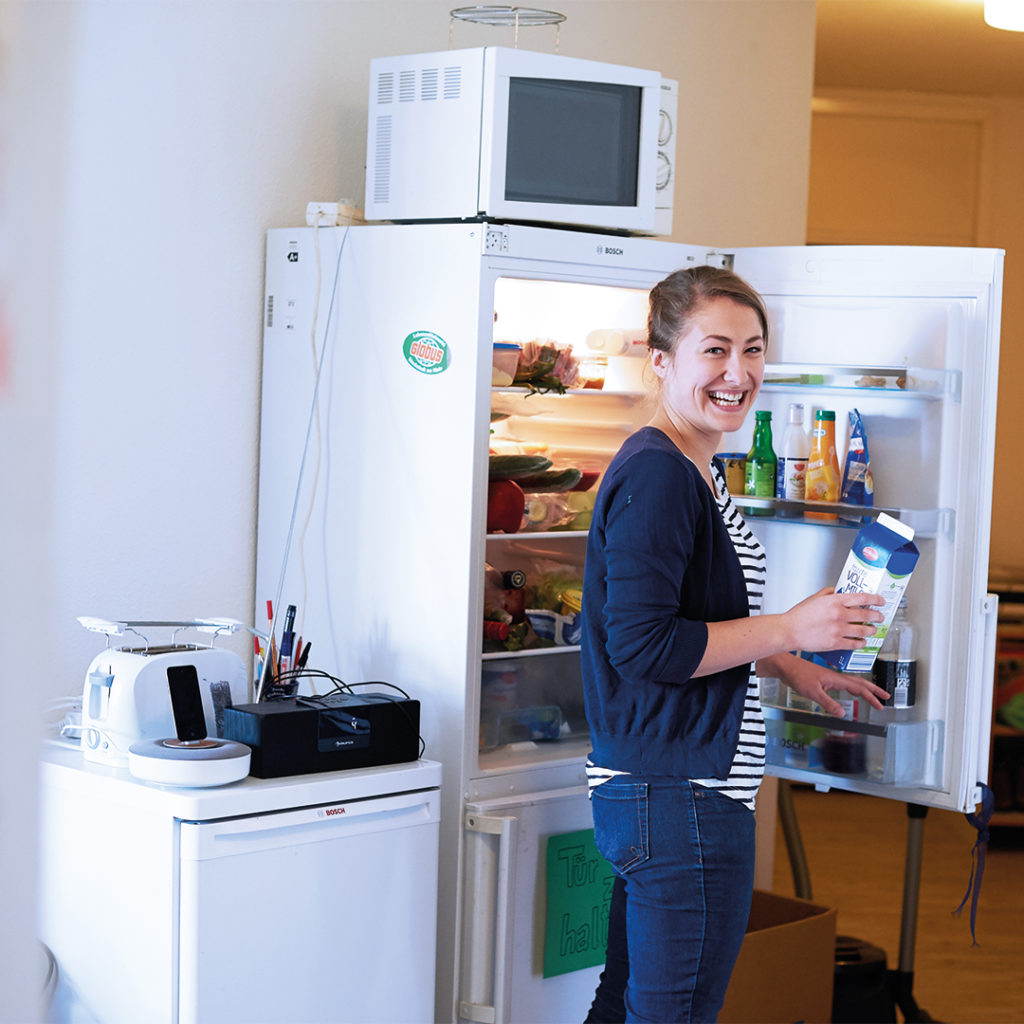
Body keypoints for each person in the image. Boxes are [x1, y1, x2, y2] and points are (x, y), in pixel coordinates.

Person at [580, 264, 889, 1024]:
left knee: (624, 1010)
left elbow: (694, 616)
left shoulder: (695, 467)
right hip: (681, 795)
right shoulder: (660, 474)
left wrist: (787, 661)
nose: (737, 371)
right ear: (661, 360)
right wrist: (789, 627)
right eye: (714, 350)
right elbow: (644, 646)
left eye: (752, 350)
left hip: (665, 790)